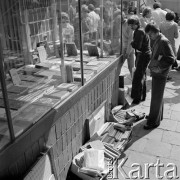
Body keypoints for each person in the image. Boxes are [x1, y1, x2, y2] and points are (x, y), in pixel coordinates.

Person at [144, 23, 175, 130]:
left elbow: (171, 59)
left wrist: (159, 68)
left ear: (156, 32)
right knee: (157, 95)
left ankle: (153, 121)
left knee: (156, 97)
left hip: (160, 72)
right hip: (158, 71)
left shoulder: (163, 41)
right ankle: (156, 116)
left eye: (150, 34)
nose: (150, 36)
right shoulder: (158, 39)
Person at [127, 15, 151, 104]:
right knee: (141, 75)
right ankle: (142, 96)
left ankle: (137, 98)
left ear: (136, 24)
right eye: (130, 25)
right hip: (144, 54)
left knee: (138, 77)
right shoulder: (140, 30)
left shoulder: (139, 32)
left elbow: (138, 46)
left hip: (143, 55)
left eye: (132, 25)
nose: (131, 27)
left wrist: (132, 43)